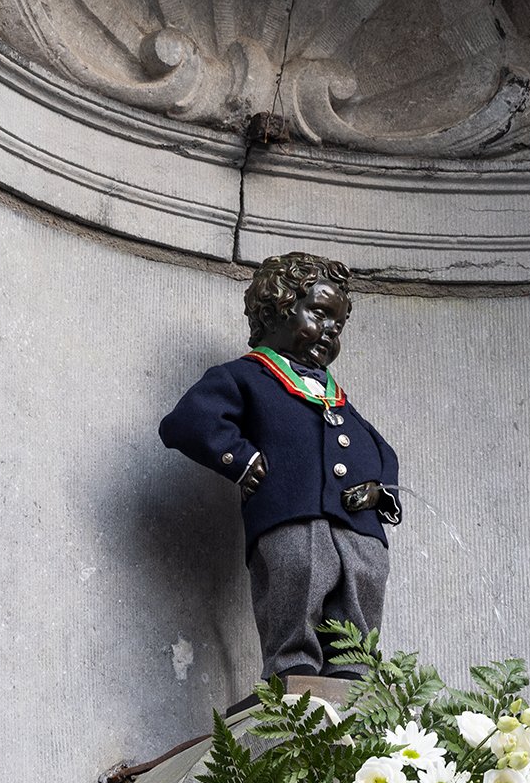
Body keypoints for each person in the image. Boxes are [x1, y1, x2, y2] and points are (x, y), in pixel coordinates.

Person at [160, 252, 402, 684]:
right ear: (277, 309)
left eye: (339, 325)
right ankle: (293, 669)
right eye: (320, 314)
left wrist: (381, 492)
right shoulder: (246, 377)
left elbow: (380, 448)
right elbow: (188, 420)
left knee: (363, 584)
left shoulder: (336, 396)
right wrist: (239, 457)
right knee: (297, 579)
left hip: (356, 523)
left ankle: (354, 674)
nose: (330, 331)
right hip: (290, 511)